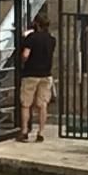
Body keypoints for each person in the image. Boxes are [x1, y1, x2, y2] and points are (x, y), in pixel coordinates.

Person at [19, 14, 56, 143]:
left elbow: (25, 55)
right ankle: (41, 132)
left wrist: (22, 61)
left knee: (26, 104)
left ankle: (24, 131)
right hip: (46, 74)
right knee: (42, 105)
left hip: (30, 73)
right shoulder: (52, 39)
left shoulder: (31, 38)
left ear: (37, 24)